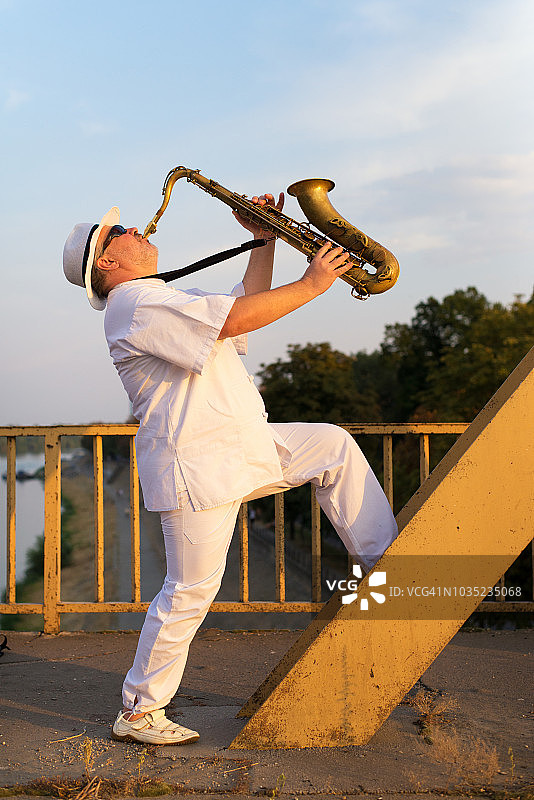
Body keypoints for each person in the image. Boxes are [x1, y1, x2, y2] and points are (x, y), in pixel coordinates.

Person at [63, 191, 398, 746]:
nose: (136, 229)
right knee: (189, 591)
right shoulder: (134, 304)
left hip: (240, 446)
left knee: (333, 446)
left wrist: (264, 240)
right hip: (197, 465)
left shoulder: (159, 298)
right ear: (107, 260)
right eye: (120, 232)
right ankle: (139, 712)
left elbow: (243, 305)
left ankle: (387, 568)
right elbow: (236, 319)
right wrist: (313, 283)